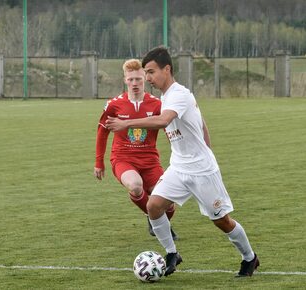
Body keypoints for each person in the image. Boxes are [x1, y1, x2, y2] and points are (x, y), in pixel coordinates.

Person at [106, 47, 259, 277]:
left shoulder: (178, 94)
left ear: (166, 69)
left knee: (222, 221)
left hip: (202, 172)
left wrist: (126, 124)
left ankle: (250, 258)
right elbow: (201, 121)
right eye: (145, 73)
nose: (148, 78)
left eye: (151, 72)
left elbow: (163, 120)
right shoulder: (167, 97)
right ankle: (171, 254)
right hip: (178, 167)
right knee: (154, 206)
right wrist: (205, 145)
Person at [94, 58, 178, 239]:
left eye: (138, 79)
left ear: (145, 78)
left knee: (169, 204)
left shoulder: (157, 104)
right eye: (130, 79)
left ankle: (157, 219)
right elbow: (102, 132)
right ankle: (154, 218)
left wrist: (179, 153)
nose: (134, 83)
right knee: (135, 186)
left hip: (150, 161)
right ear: (125, 80)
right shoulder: (114, 104)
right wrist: (99, 162)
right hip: (123, 158)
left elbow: (169, 130)